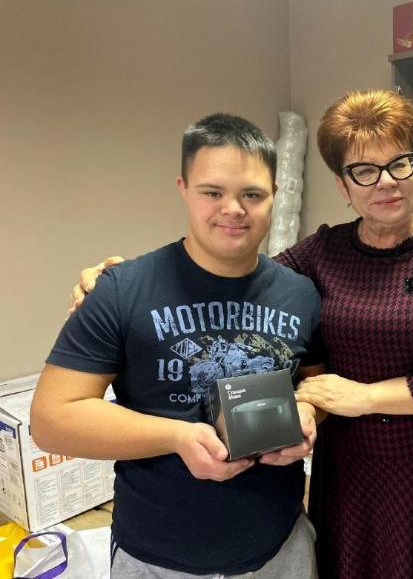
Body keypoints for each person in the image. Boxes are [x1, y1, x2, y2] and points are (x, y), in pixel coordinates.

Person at [69, 90, 413, 579]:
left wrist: (364, 397)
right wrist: (122, 278)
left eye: (400, 163)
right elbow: (238, 276)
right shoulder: (322, 253)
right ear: (342, 185)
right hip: (350, 468)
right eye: (364, 170)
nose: (387, 182)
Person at [32, 113, 325, 578]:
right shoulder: (123, 290)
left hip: (280, 549)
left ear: (274, 194)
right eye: (213, 192)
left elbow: (316, 386)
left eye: (252, 194)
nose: (233, 208)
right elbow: (52, 420)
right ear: (183, 188)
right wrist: (177, 437)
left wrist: (307, 413)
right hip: (156, 556)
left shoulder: (301, 294)